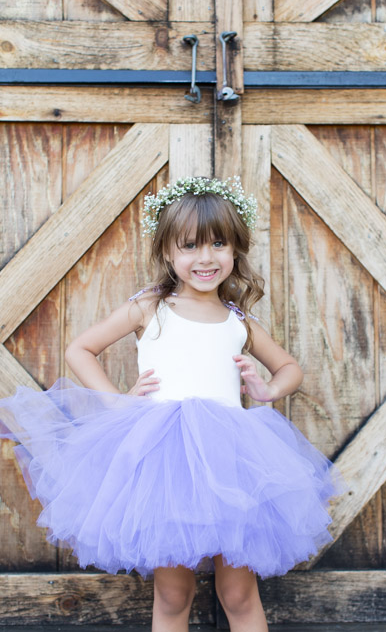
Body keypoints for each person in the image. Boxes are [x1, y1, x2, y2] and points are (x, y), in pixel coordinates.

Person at [0, 176, 342, 632]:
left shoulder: (240, 321)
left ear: (235, 250)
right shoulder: (150, 308)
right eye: (189, 246)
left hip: (231, 460)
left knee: (238, 593)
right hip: (161, 461)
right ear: (167, 252)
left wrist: (266, 391)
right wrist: (116, 403)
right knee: (173, 592)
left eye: (218, 244)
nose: (205, 257)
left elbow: (290, 368)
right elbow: (80, 349)